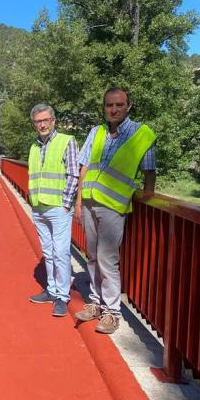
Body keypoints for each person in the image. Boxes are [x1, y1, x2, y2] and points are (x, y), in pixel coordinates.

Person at [74, 88, 156, 334]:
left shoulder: (143, 134)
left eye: (119, 105)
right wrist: (78, 202)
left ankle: (112, 312)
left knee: (107, 260)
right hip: (89, 202)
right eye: (109, 105)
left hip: (113, 206)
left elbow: (149, 173)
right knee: (91, 255)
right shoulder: (96, 132)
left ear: (128, 106)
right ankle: (96, 303)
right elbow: (84, 167)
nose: (114, 109)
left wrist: (149, 201)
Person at [26, 103, 79, 317]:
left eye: (46, 120)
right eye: (38, 121)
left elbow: (73, 174)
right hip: (39, 207)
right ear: (34, 124)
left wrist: (66, 204)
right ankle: (51, 289)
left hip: (58, 207)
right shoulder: (34, 146)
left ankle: (62, 296)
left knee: (61, 253)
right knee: (48, 252)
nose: (42, 124)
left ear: (53, 120)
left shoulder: (67, 141)